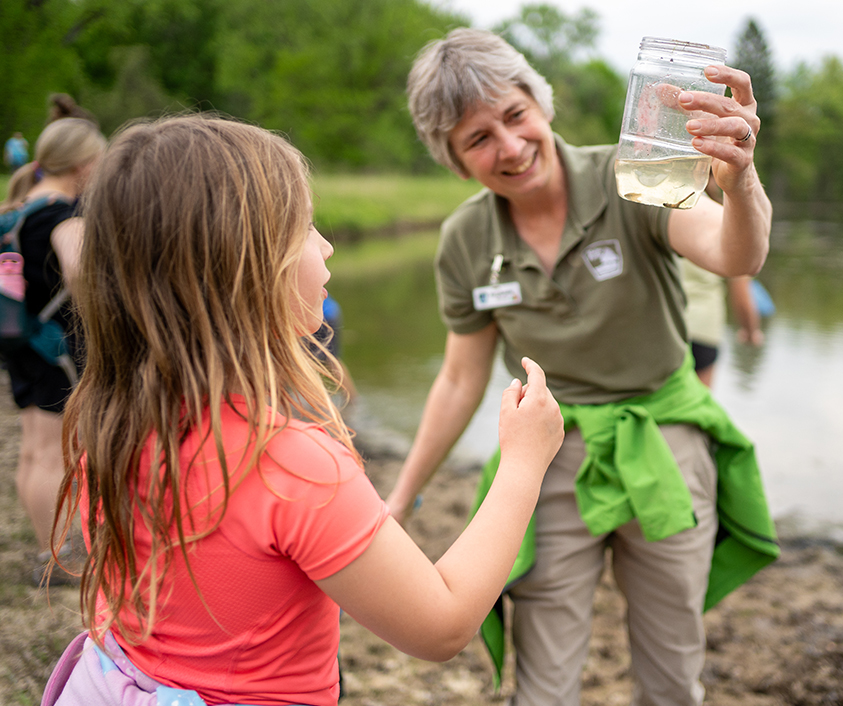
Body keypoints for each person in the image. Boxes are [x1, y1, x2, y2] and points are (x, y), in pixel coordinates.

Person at [42, 115, 564, 706]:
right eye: (306, 228)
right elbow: (442, 624)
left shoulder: (105, 421)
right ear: (248, 268)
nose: (327, 245)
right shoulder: (290, 466)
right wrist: (523, 461)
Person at [386, 28, 778, 706]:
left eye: (515, 116)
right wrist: (400, 497)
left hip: (664, 440)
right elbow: (458, 379)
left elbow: (736, 255)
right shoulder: (465, 239)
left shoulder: (636, 175)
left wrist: (740, 181)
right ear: (454, 159)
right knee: (543, 681)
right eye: (478, 139)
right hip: (547, 459)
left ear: (541, 104)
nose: (509, 147)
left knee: (671, 671)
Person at [0, 115, 106, 584]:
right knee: (51, 453)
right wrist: (98, 312)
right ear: (84, 164)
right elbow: (79, 266)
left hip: (21, 337)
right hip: (58, 346)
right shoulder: (63, 215)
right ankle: (54, 557)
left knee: (33, 449)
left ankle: (48, 548)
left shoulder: (17, 208)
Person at [681, 260, 763, 388]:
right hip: (703, 329)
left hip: (665, 324)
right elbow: (741, 293)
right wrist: (751, 332)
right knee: (699, 403)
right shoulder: (724, 240)